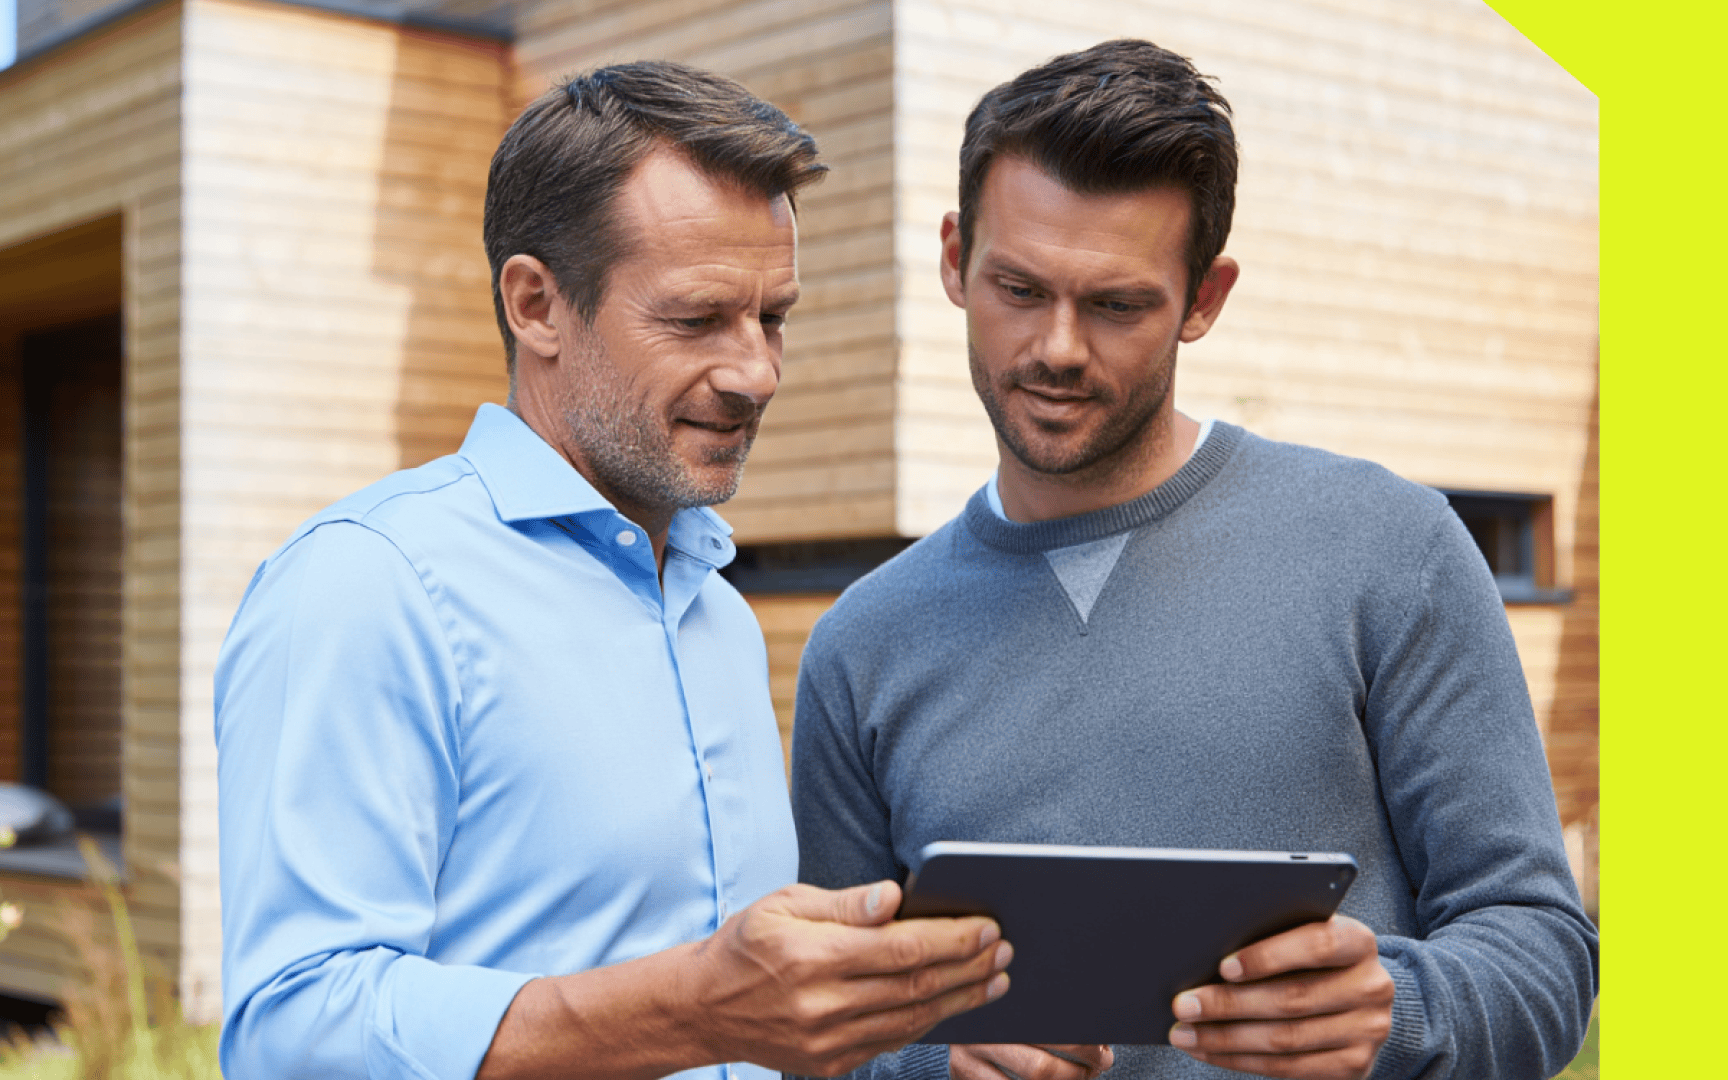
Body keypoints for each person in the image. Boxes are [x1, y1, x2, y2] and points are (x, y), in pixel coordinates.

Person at [215, 61, 1111, 1080]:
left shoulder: (713, 612)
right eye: (695, 321)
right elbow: (292, 1032)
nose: (755, 373)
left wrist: (937, 1062)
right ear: (536, 304)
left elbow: (758, 1030)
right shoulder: (367, 587)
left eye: (773, 318)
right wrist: (692, 1013)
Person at [791, 39, 1599, 1080]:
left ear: (1205, 297)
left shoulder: (1390, 551)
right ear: (955, 258)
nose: (1058, 348)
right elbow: (831, 1039)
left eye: (1118, 305)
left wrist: (1393, 1015)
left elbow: (1541, 950)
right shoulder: (862, 644)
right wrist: (934, 1070)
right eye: (1019, 288)